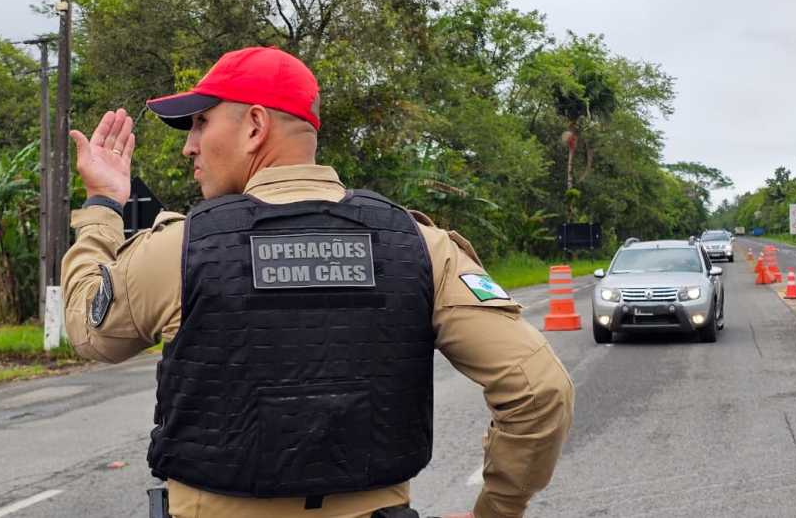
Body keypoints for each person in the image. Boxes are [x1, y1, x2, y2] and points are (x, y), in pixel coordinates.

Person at [62, 46, 574, 518]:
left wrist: (103, 207)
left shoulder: (179, 249)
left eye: (200, 122)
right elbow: (539, 390)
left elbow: (89, 333)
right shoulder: (421, 245)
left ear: (255, 126)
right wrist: (495, 513)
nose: (189, 147)